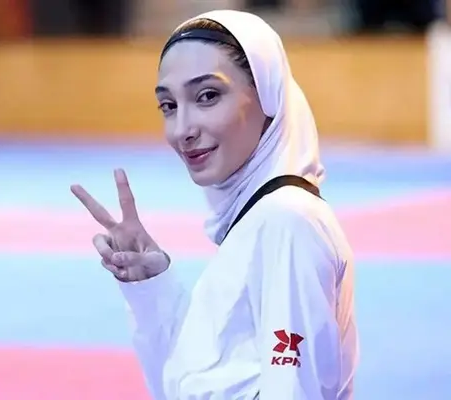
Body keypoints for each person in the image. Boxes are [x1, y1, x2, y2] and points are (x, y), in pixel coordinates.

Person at [70, 9, 359, 400]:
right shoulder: (256, 219)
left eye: (207, 96)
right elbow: (190, 383)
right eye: (168, 105)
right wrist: (151, 287)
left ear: (268, 95)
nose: (182, 130)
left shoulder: (286, 220)